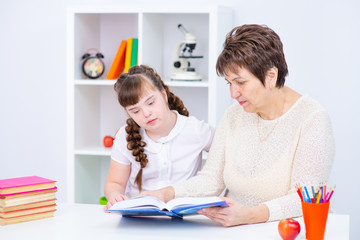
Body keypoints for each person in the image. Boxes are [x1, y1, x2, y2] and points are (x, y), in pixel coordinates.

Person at [139, 24, 335, 227]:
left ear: (271, 76)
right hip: (234, 230)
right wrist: (165, 193)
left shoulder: (312, 119)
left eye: (240, 83)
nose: (233, 94)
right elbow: (211, 180)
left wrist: (250, 215)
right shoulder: (234, 115)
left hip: (287, 230)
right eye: (229, 83)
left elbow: (305, 197)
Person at [104, 65, 214, 211]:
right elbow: (115, 182)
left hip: (185, 216)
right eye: (135, 111)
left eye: (150, 103)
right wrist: (115, 195)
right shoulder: (124, 137)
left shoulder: (195, 129)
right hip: (140, 217)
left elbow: (228, 152)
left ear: (163, 95)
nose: (146, 113)